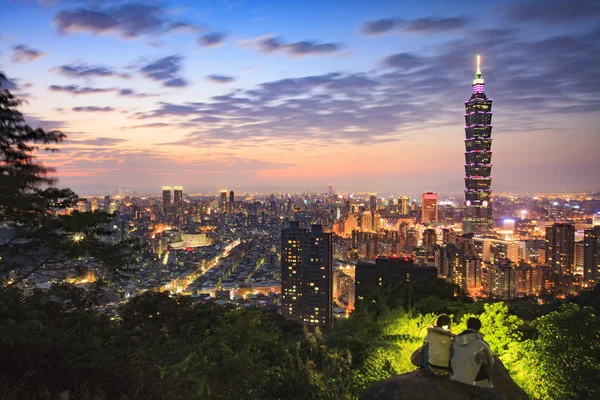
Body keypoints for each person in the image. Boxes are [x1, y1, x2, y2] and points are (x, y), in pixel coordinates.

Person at [450, 317, 503, 400]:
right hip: (474, 383)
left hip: (456, 378)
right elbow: (490, 364)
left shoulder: (454, 342)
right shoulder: (481, 344)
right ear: (479, 328)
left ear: (467, 326)